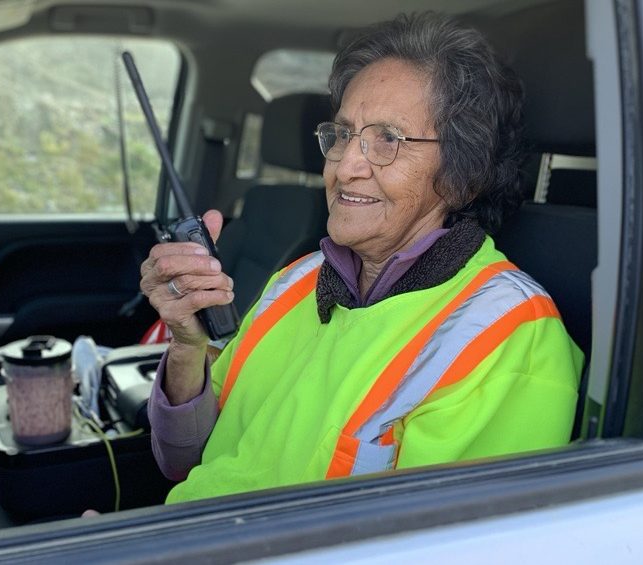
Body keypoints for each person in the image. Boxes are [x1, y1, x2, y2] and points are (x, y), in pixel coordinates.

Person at [140, 12, 584, 504]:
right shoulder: (297, 281)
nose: (346, 166)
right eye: (344, 134)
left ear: (463, 174)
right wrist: (186, 346)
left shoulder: (510, 340)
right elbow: (186, 460)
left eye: (387, 141)